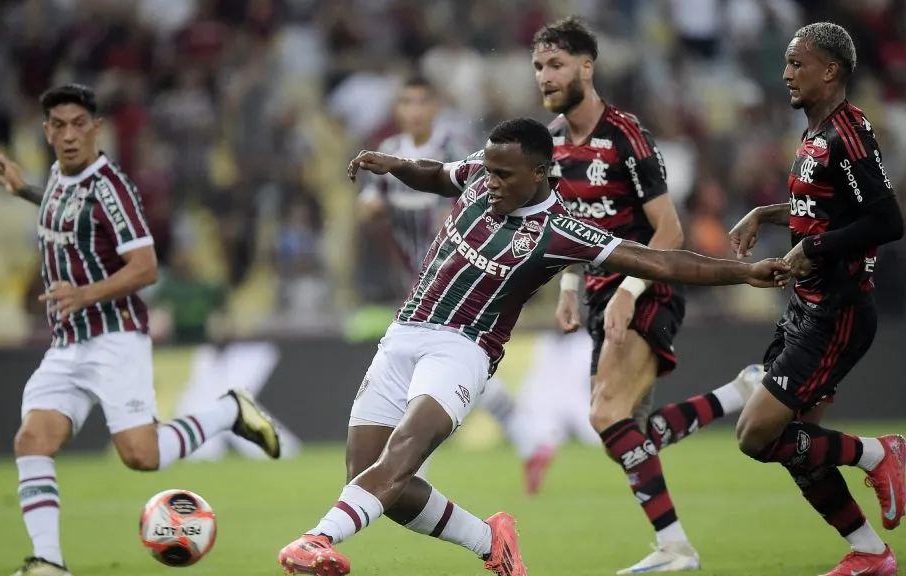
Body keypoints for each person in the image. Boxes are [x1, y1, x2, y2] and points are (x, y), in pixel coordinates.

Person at [276, 117, 790, 576]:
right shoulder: (480, 171)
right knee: (368, 478)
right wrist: (395, 166)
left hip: (461, 349)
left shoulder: (560, 231)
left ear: (541, 173)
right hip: (402, 334)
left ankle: (317, 539)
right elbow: (436, 175)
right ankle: (491, 542)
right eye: (489, 169)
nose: (491, 181)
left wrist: (744, 272)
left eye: (505, 175)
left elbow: (660, 263)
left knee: (403, 454)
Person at [0, 84, 282, 576]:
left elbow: (145, 268)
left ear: (96, 128)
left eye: (79, 124)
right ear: (47, 132)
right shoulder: (59, 177)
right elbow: (69, 216)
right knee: (33, 440)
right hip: (67, 343)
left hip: (114, 337)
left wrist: (84, 293)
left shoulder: (111, 187)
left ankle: (229, 411)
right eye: (58, 125)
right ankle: (48, 563)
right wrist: (25, 191)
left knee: (141, 457)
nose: (69, 134)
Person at [531, 16, 765, 572]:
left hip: (648, 287)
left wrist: (628, 291)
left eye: (556, 65)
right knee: (625, 434)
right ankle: (739, 392)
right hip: (599, 293)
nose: (544, 76)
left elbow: (670, 232)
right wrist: (570, 288)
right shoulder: (555, 146)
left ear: (586, 67)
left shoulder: (625, 135)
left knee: (606, 413)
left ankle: (675, 548)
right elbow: (570, 226)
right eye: (538, 66)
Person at [730, 23, 906, 576]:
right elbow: (825, 208)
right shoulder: (816, 134)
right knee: (793, 442)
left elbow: (886, 219)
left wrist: (815, 248)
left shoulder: (848, 132)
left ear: (830, 70)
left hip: (838, 312)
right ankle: (870, 553)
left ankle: (880, 454)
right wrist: (767, 213)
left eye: (796, 63)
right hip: (806, 307)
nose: (785, 73)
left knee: (756, 435)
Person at [357, 75, 550, 490]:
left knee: (445, 379)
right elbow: (369, 205)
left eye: (421, 102)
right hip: (420, 280)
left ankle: (416, 465)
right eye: (405, 102)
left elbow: (478, 196)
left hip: (467, 280)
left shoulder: (455, 146)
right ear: (399, 110)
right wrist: (374, 207)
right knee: (451, 380)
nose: (413, 111)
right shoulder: (390, 153)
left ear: (434, 108)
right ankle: (529, 440)